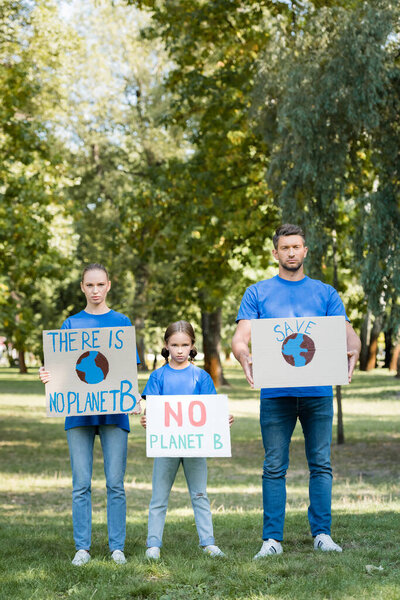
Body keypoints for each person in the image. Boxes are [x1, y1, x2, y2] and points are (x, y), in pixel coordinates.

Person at [232, 224, 361, 559]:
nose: (291, 252)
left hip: (318, 393)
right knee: (274, 465)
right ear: (275, 253)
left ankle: (322, 534)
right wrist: (243, 354)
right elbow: (240, 337)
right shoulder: (257, 293)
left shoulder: (326, 293)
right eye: (285, 247)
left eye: (297, 246)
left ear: (305, 251)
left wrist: (355, 349)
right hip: (276, 395)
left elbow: (348, 334)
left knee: (321, 463)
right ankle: (272, 539)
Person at [39, 263, 141, 566]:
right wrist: (47, 376)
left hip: (113, 415)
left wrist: (132, 395)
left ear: (109, 285)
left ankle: (117, 547)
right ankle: (82, 547)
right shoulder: (71, 324)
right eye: (89, 285)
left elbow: (127, 369)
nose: (95, 291)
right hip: (78, 415)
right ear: (82, 287)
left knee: (115, 483)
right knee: (81, 483)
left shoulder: (121, 321)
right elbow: (60, 368)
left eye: (100, 285)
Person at [140, 320, 233, 560]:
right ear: (166, 345)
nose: (179, 350)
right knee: (159, 496)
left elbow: (210, 411)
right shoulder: (158, 376)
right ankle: (153, 544)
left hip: (195, 446)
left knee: (200, 494)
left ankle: (208, 542)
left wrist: (222, 420)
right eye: (174, 345)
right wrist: (147, 420)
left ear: (192, 346)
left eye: (184, 345)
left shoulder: (201, 377)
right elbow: (152, 410)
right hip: (166, 446)